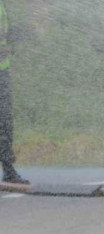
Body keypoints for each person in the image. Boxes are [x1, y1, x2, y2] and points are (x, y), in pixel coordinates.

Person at [0, 0, 27, 184]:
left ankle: (8, 169)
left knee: (5, 122)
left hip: (2, 72)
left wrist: (11, 48)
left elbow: (9, 35)